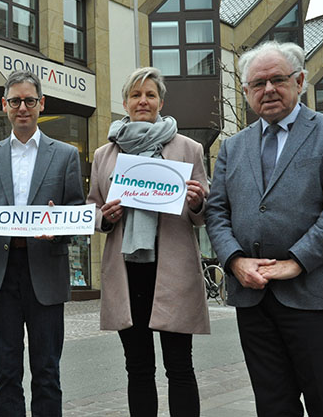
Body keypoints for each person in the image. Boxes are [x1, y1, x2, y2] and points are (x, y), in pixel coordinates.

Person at [205, 40, 323, 416]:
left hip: (315, 297)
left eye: (277, 80)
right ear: (245, 92)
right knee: (272, 404)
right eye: (257, 84)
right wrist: (234, 262)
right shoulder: (233, 147)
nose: (267, 90)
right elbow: (217, 212)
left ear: (299, 81)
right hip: (255, 300)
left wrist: (296, 261)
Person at [86, 67, 209, 416]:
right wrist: (104, 217)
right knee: (138, 368)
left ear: (160, 102)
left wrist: (198, 200)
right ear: (124, 102)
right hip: (127, 273)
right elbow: (92, 206)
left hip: (173, 271)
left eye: (150, 95)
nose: (143, 101)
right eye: (136, 95)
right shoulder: (104, 155)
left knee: (180, 367)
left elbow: (205, 212)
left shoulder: (189, 148)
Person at [0, 70, 84, 416]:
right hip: (1, 276)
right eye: (16, 101)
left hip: (45, 271)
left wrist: (59, 225)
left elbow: (77, 210)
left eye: (30, 101)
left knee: (47, 371)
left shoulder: (65, 154)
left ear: (41, 105)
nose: (23, 107)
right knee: (5, 372)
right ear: (4, 106)